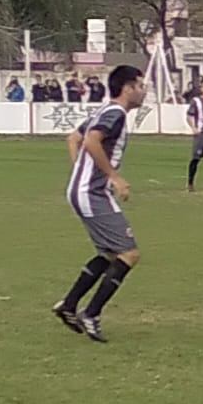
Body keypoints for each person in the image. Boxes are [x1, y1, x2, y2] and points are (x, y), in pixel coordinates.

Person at [52, 65, 148, 343]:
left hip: (87, 191)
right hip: (93, 194)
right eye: (140, 86)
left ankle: (69, 305)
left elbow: (74, 138)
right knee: (129, 254)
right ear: (128, 88)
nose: (143, 91)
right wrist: (114, 177)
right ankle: (91, 313)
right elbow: (91, 140)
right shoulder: (115, 114)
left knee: (109, 254)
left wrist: (80, 173)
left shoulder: (103, 111)